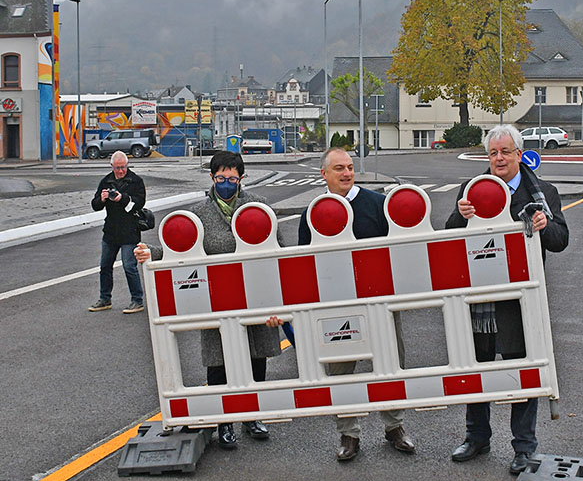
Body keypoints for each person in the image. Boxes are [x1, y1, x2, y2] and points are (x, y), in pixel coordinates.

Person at [135, 151, 282, 449]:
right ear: (212, 178)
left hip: (256, 294)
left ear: (242, 178)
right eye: (220, 178)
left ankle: (252, 417)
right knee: (219, 364)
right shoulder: (199, 214)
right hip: (218, 300)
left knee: (256, 359)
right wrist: (152, 252)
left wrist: (280, 299)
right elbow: (180, 248)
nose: (226, 183)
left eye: (232, 178)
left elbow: (278, 247)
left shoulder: (259, 206)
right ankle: (223, 422)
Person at [445, 124, 569, 474]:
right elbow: (449, 238)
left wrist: (545, 225)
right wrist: (460, 216)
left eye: (505, 152)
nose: (499, 158)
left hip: (521, 299)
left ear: (519, 154)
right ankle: (477, 437)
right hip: (480, 298)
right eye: (493, 153)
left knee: (523, 372)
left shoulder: (543, 192)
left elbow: (560, 240)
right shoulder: (472, 190)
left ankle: (524, 446)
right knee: (476, 368)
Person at [298, 146, 415, 462]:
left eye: (350, 167)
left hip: (379, 301)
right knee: (341, 370)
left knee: (391, 364)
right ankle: (349, 434)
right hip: (336, 306)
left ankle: (394, 427)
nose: (347, 173)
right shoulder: (313, 213)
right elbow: (303, 261)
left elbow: (396, 248)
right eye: (339, 168)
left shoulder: (377, 204)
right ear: (324, 174)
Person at [89, 150, 146, 314]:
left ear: (127, 165)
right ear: (111, 166)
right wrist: (102, 198)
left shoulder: (136, 181)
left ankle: (137, 300)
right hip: (111, 232)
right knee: (105, 266)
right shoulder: (106, 181)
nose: (120, 171)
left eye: (123, 167)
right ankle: (104, 299)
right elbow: (95, 205)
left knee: (129, 267)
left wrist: (123, 198)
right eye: (117, 168)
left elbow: (140, 203)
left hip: (130, 231)